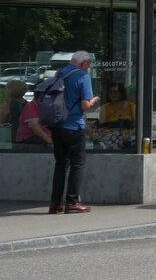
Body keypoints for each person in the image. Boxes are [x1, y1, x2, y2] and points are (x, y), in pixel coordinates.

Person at [48, 50, 99, 214]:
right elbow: (85, 105)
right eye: (89, 64)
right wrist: (94, 101)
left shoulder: (60, 73)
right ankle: (72, 201)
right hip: (73, 125)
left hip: (56, 125)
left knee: (61, 164)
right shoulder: (82, 76)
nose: (89, 67)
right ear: (84, 63)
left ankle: (55, 203)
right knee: (78, 163)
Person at [91, 81, 136, 150]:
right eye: (110, 92)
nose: (112, 94)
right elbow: (102, 127)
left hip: (128, 139)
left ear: (121, 93)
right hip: (110, 139)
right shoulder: (104, 108)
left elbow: (136, 126)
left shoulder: (131, 106)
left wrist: (127, 135)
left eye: (115, 92)